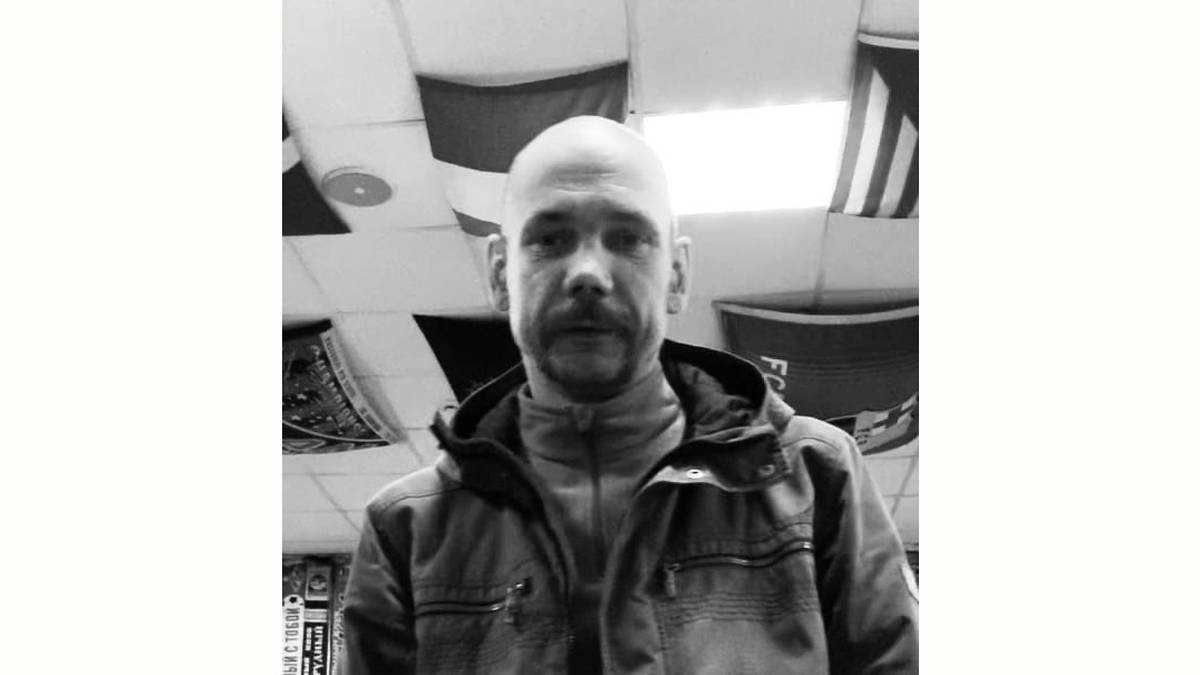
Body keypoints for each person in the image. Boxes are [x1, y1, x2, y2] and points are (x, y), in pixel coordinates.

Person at [340, 116, 918, 674]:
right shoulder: (405, 532)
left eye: (629, 238)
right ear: (498, 275)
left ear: (677, 276)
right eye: (549, 239)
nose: (588, 273)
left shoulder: (815, 475)